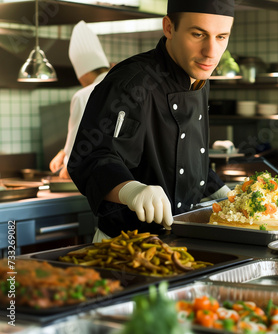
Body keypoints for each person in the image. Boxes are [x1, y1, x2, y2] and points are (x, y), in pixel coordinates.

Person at [68, 0, 234, 241]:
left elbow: (186, 159)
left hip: (182, 238)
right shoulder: (130, 83)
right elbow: (90, 156)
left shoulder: (198, 78)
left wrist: (224, 195)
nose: (211, 52)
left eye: (221, 37)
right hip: (125, 245)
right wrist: (132, 190)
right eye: (198, 34)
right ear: (169, 27)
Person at [49, 20, 111, 179]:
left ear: (82, 74)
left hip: (96, 181)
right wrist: (64, 152)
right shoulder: (124, 87)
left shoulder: (83, 96)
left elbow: (73, 163)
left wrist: (67, 163)